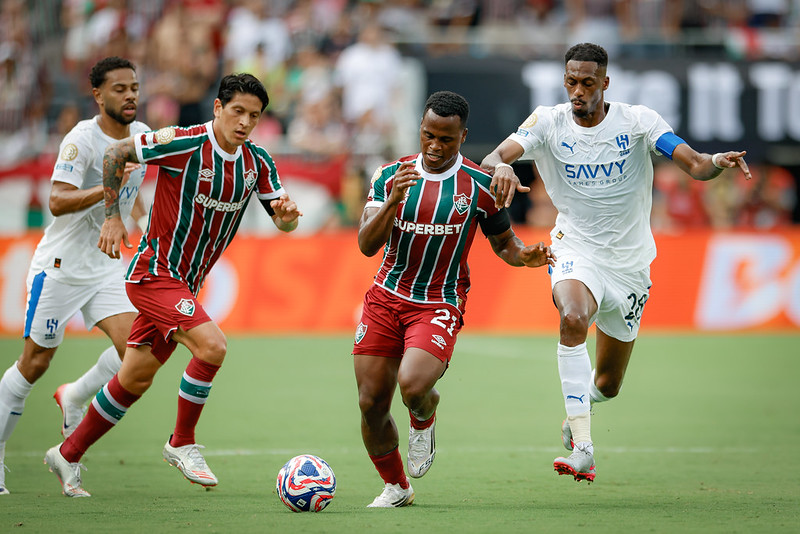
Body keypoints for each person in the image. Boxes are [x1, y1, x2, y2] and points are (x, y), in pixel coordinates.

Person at [481, 42, 751, 483]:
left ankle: (578, 412)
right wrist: (502, 167)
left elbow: (697, 165)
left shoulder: (639, 122)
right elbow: (494, 156)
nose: (578, 91)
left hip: (629, 264)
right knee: (572, 317)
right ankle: (584, 448)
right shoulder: (546, 122)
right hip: (574, 249)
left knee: (608, 383)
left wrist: (717, 162)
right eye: (571, 81)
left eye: (588, 82)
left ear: (605, 83)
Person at [43, 73, 302, 498]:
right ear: (218, 108)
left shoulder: (258, 162)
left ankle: (68, 453)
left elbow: (283, 218)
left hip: (185, 284)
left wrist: (289, 216)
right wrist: (112, 216)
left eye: (254, 116)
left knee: (135, 378)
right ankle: (182, 441)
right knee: (213, 346)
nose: (244, 122)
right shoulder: (184, 141)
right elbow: (116, 152)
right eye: (237, 111)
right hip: (153, 273)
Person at [354, 90, 555, 507]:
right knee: (371, 403)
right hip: (385, 298)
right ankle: (396, 486)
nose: (433, 146)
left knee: (412, 385)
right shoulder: (389, 175)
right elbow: (366, 245)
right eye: (428, 135)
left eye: (445, 139)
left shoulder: (480, 186)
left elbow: (504, 243)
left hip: (439, 302)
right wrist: (393, 201)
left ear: (462, 137)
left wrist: (526, 256)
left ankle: (423, 414)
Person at [0, 56, 149, 496]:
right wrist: (106, 190)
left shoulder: (142, 137)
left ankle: (76, 395)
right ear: (98, 96)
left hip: (105, 265)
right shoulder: (81, 139)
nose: (130, 96)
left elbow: (133, 196)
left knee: (136, 353)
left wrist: (137, 225)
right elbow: (58, 201)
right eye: (119, 89)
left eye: (135, 88)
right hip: (61, 267)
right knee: (34, 363)